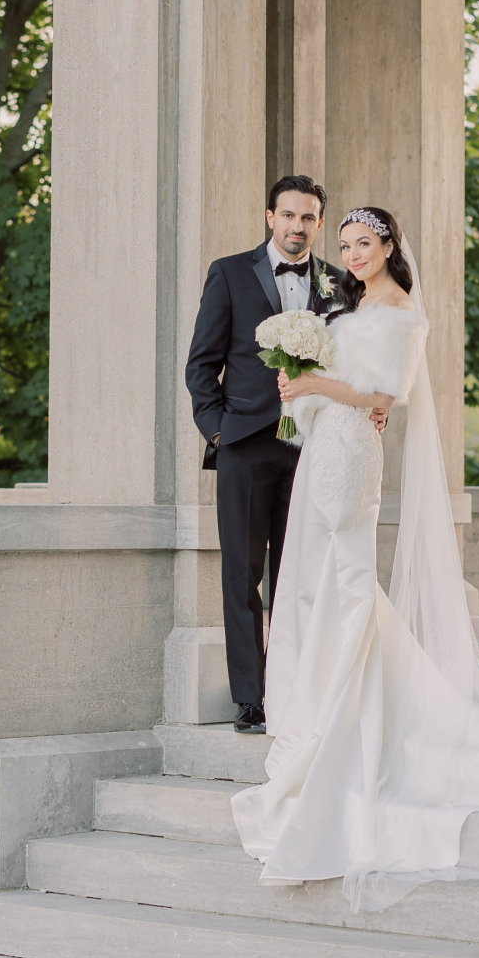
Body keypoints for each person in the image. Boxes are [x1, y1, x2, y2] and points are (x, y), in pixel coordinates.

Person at [231, 203, 479, 909]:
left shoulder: (400, 311)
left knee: (344, 577)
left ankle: (351, 706)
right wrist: (298, 387)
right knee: (310, 580)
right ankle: (318, 693)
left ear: (389, 245)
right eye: (345, 245)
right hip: (323, 447)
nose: (353, 254)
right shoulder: (350, 305)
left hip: (350, 460)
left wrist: (314, 385)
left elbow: (383, 393)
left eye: (363, 243)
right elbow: (347, 386)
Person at [184, 176, 360, 733]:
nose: (296, 227)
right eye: (288, 215)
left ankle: (293, 688)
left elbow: (353, 361)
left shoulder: (339, 283)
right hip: (244, 445)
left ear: (319, 223)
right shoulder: (230, 273)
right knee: (241, 574)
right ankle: (250, 697)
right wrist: (218, 432)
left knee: (299, 572)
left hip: (313, 448)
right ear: (270, 217)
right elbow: (201, 364)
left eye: (307, 218)